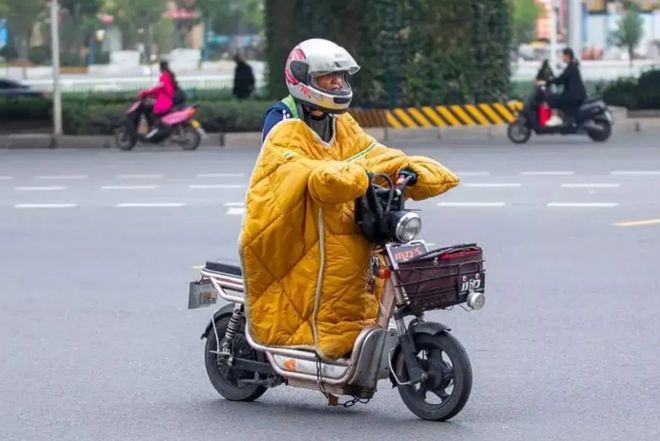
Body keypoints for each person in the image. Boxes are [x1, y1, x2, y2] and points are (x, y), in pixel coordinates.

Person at [240, 38, 460, 361]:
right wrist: (338, 176)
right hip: (292, 217)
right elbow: (287, 167)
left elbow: (371, 154)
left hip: (336, 209)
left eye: (341, 77)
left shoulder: (340, 121)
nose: (337, 83)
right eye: (328, 77)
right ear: (303, 80)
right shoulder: (283, 119)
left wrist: (408, 169)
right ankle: (320, 339)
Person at [543, 48, 587, 127]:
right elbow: (562, 78)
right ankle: (563, 117)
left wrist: (550, 81)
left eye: (563, 56)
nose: (562, 58)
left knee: (551, 99)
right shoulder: (571, 66)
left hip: (574, 96)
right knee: (556, 97)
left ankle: (556, 118)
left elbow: (562, 79)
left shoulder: (571, 67)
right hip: (574, 95)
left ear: (567, 56)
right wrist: (553, 79)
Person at [137, 61, 178, 140]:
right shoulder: (169, 75)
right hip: (167, 100)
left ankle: (153, 133)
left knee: (151, 113)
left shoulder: (164, 76)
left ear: (160, 68)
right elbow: (161, 89)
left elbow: (158, 88)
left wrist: (145, 93)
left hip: (164, 102)